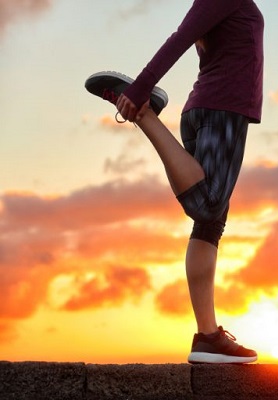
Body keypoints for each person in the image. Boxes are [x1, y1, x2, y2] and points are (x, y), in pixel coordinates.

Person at [84, 0, 264, 364]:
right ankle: (146, 115)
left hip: (207, 108)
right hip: (222, 109)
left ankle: (208, 337)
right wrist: (139, 92)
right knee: (207, 203)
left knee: (210, 223)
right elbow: (182, 38)